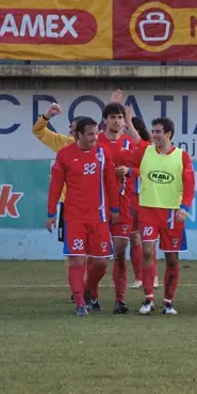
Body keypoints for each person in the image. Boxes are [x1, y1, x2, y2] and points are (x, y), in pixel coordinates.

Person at [46, 117, 120, 317]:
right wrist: (51, 213)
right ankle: (79, 301)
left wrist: (115, 208)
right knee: (76, 259)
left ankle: (88, 289)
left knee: (102, 262)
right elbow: (55, 186)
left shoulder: (103, 153)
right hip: (74, 216)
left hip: (99, 216)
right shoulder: (64, 155)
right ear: (78, 134)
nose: (95, 137)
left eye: (96, 133)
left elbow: (111, 182)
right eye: (90, 134)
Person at [125, 117, 195, 315]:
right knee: (147, 251)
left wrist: (185, 207)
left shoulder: (182, 156)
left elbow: (189, 183)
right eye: (153, 131)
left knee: (172, 259)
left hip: (172, 212)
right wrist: (129, 123)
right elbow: (133, 145)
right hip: (148, 210)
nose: (154, 135)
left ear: (168, 134)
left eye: (158, 132)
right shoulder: (145, 150)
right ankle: (148, 299)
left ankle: (168, 301)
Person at [95, 100, 141, 313]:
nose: (117, 121)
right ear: (104, 121)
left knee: (121, 251)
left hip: (124, 204)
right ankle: (91, 295)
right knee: (97, 257)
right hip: (99, 205)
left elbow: (145, 167)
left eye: (120, 117)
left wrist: (129, 172)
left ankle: (119, 300)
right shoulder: (95, 141)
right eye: (112, 117)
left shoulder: (129, 142)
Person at [33, 102, 78, 301]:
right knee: (70, 252)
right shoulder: (64, 144)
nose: (74, 133)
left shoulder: (99, 148)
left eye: (77, 129)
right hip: (68, 206)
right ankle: (76, 290)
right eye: (72, 129)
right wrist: (47, 115)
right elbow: (38, 130)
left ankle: (87, 288)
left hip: (92, 207)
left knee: (92, 254)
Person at [126, 114, 159, 290]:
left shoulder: (146, 148)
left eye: (127, 128)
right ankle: (139, 276)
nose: (124, 132)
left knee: (147, 239)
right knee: (134, 239)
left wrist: (130, 171)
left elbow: (147, 171)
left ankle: (152, 276)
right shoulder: (125, 148)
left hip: (146, 199)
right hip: (129, 198)